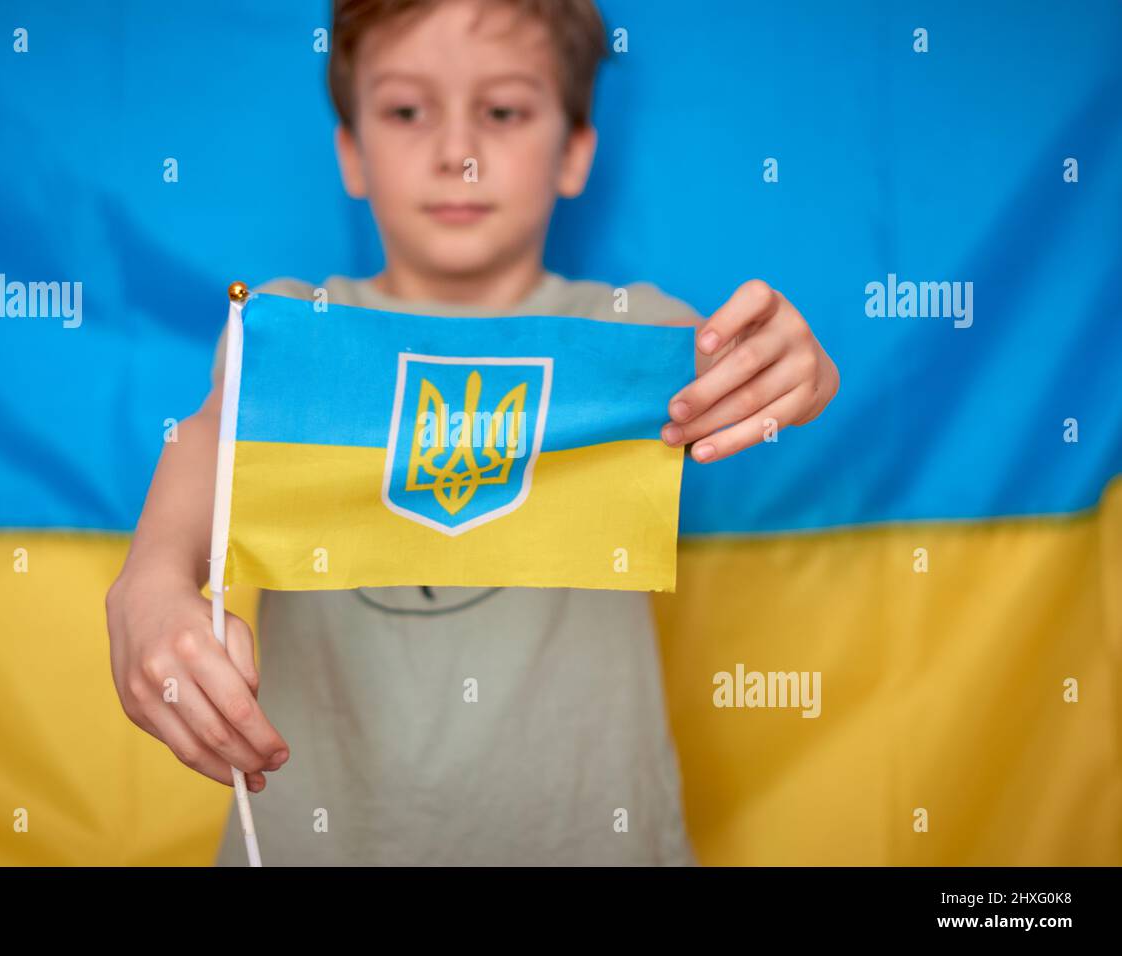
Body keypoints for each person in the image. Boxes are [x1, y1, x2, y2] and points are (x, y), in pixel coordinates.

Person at [105, 0, 839, 866]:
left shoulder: (635, 336)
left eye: (504, 112)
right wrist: (151, 582)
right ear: (350, 150)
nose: (458, 152)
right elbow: (211, 434)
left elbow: (752, 371)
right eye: (408, 111)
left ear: (573, 151)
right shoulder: (295, 330)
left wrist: (797, 370)